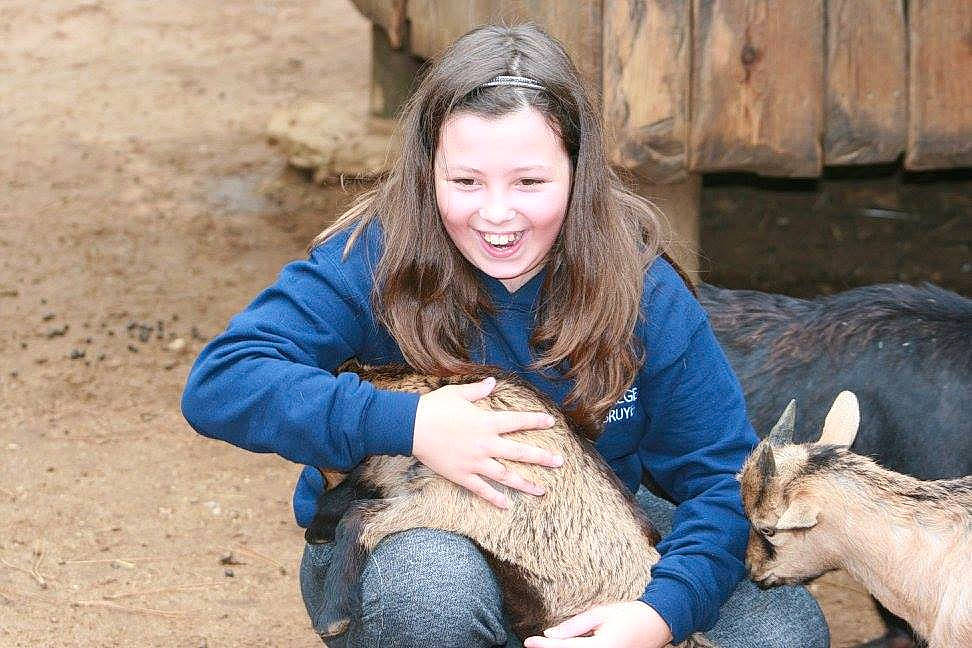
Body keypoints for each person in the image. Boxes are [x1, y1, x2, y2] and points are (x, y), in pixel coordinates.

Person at [181, 22, 829, 648]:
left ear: (577, 172)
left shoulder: (642, 290)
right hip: (404, 533)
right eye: (465, 181)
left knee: (782, 629)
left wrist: (656, 618)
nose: (496, 214)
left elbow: (719, 478)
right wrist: (412, 424)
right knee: (430, 593)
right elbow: (224, 381)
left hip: (585, 527)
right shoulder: (374, 259)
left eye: (530, 182)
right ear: (428, 168)